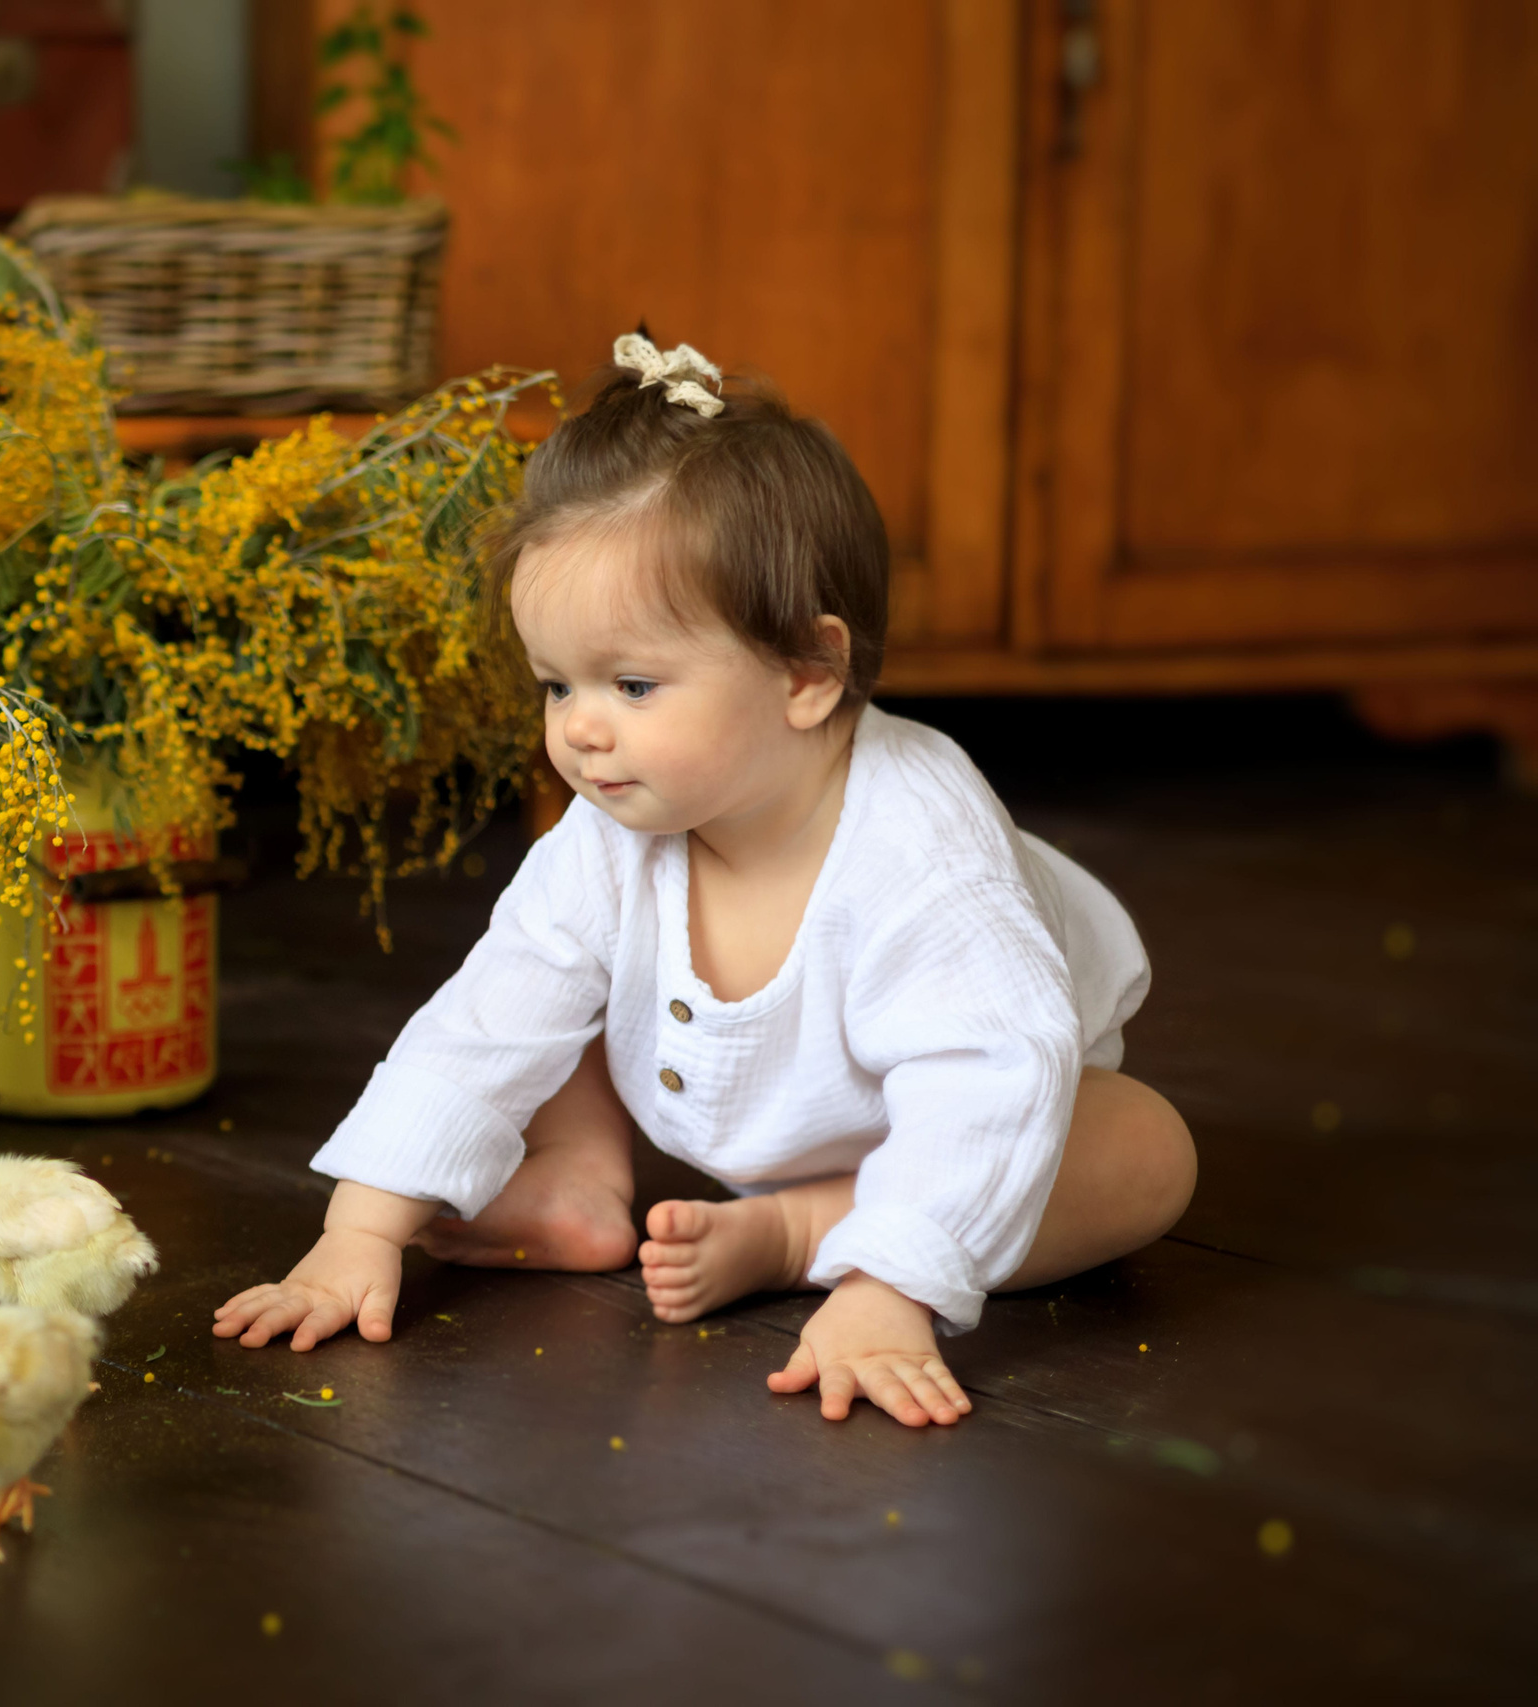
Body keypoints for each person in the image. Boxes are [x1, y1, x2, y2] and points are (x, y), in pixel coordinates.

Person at [212, 334, 1197, 1428]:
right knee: (554, 970)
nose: (581, 729)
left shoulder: (923, 852)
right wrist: (359, 1231)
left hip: (953, 1124)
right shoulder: (616, 823)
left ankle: (801, 1232)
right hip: (744, 1107)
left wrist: (890, 1290)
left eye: (632, 683)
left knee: (1142, 1151)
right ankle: (578, 1179)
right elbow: (486, 1022)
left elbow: (983, 1076)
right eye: (555, 684)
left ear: (806, 675)